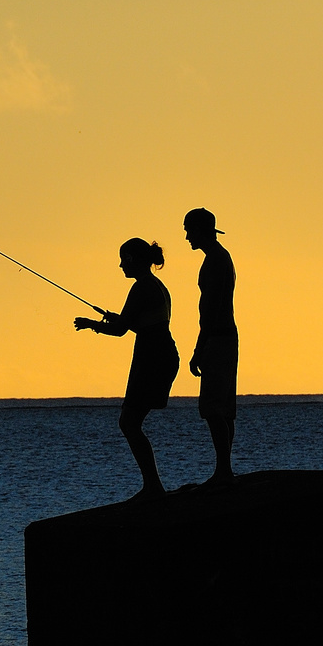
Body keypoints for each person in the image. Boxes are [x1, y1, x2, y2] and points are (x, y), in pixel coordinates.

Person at [75, 237, 179, 499]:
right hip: (160, 355)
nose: (120, 265)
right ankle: (152, 485)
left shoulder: (142, 287)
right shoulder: (156, 286)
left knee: (129, 422)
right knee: (131, 421)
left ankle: (153, 486)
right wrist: (117, 319)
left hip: (152, 359)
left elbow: (121, 330)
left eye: (123, 259)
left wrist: (92, 324)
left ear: (133, 259)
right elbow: (143, 323)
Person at [185, 208, 237, 486]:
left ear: (199, 231)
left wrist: (198, 348)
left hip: (218, 336)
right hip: (224, 336)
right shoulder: (219, 257)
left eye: (188, 230)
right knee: (224, 406)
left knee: (214, 407)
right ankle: (224, 469)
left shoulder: (216, 260)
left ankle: (224, 471)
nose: (186, 236)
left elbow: (211, 309)